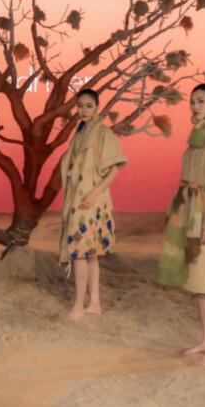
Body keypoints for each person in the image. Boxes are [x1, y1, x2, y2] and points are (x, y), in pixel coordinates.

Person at [157, 83, 205, 366]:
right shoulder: (197, 134)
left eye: (201, 101)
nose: (195, 106)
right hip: (189, 210)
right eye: (192, 102)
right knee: (198, 281)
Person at [59, 88, 127, 321]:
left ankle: (79, 305)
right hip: (79, 198)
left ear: (97, 107)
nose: (83, 110)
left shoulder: (103, 133)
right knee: (89, 254)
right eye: (80, 105)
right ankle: (94, 303)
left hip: (90, 201)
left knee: (80, 252)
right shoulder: (80, 133)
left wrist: (95, 192)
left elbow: (115, 168)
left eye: (89, 105)